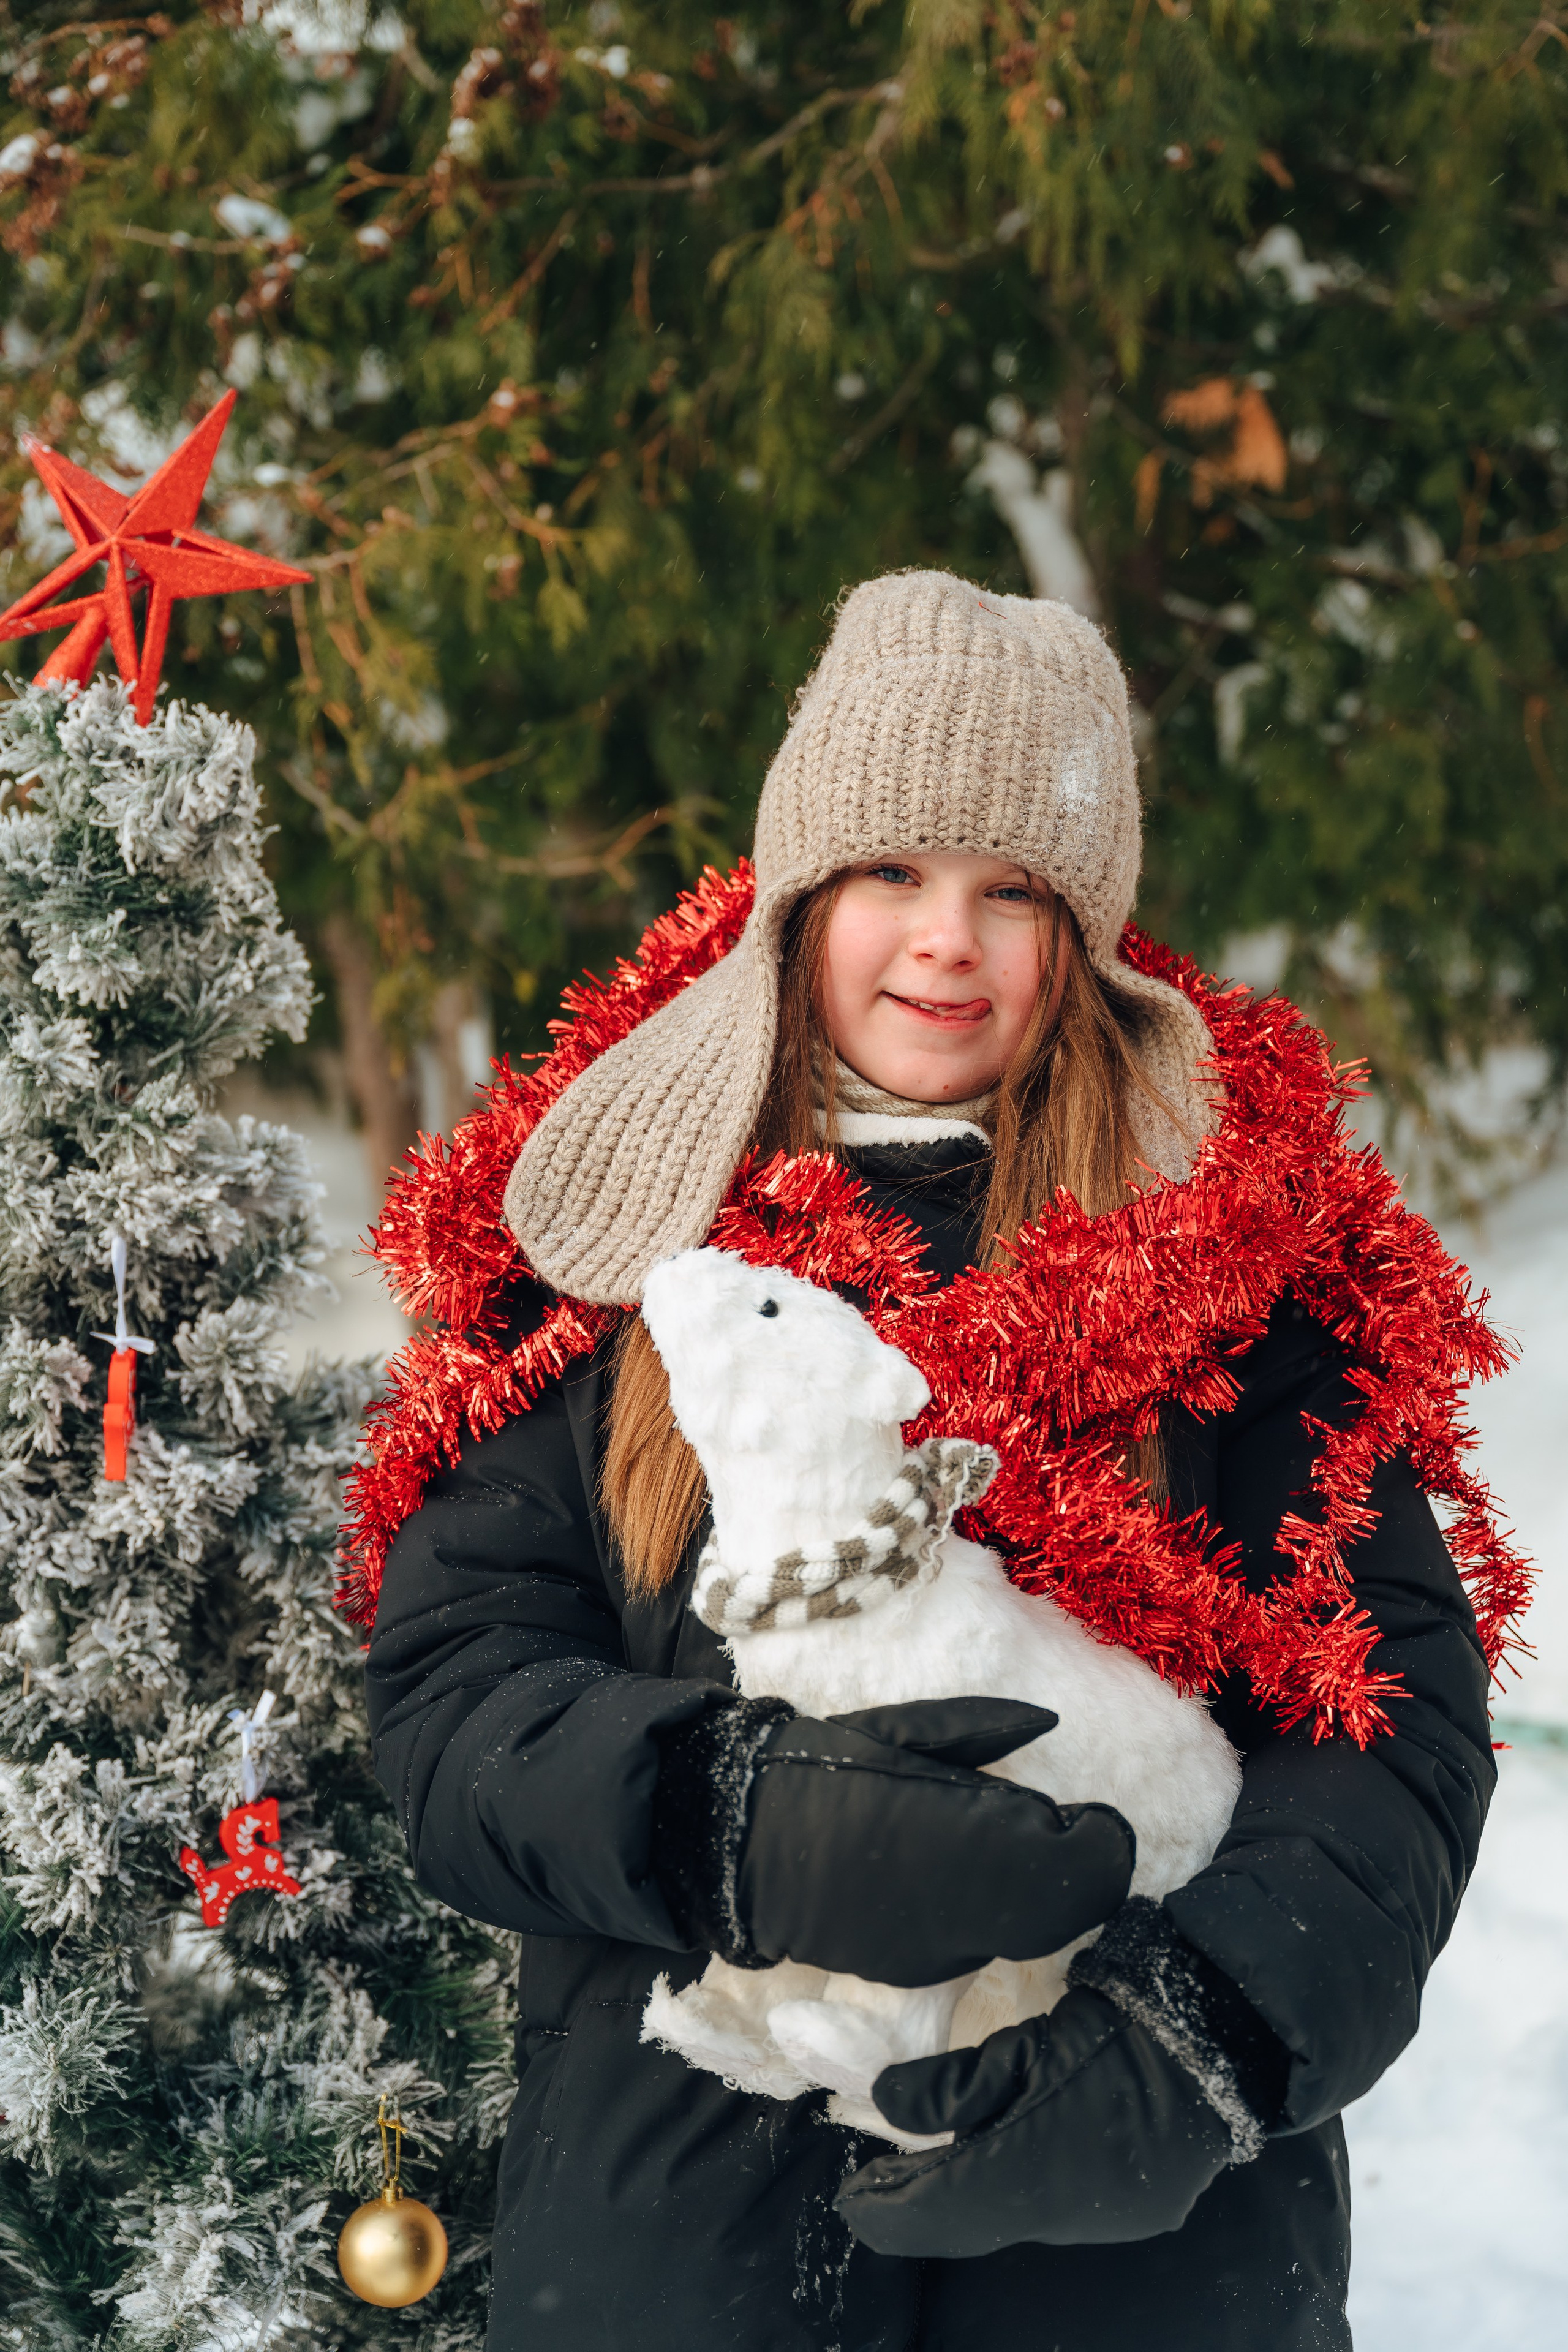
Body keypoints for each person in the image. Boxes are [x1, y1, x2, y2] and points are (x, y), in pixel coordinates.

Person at [363, 573, 1497, 2350]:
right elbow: (456, 1696)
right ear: (801, 891)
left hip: (1145, 2268)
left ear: (1086, 931)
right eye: (891, 871)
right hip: (682, 2240)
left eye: (1010, 890)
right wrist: (712, 1819)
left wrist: (1202, 2045)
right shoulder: (613, 1232)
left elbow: (1392, 1727)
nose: (943, 942)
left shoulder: (1235, 1259)